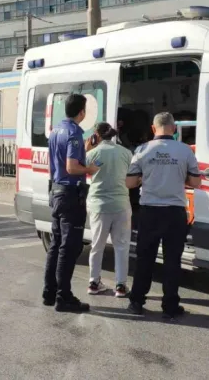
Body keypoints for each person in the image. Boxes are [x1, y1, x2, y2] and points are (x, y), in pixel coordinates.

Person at [126, 112, 201, 319]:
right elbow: (196, 183)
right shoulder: (185, 151)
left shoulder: (142, 150)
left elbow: (130, 183)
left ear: (153, 128)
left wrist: (145, 178)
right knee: (172, 260)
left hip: (149, 211)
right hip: (175, 212)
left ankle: (136, 302)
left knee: (144, 259)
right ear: (174, 128)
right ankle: (170, 306)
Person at [43, 93, 99, 313]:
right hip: (70, 194)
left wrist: (84, 148)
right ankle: (63, 297)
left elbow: (62, 160)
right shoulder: (75, 132)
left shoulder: (56, 129)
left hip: (56, 191)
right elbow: (72, 167)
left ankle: (49, 292)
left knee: (56, 245)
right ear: (82, 112)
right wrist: (90, 169)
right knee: (70, 246)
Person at [84, 122, 133, 297]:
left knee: (97, 246)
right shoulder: (126, 153)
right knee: (121, 246)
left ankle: (94, 283)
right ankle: (120, 286)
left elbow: (80, 168)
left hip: (99, 206)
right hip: (121, 205)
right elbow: (130, 175)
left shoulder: (92, 153)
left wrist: (88, 147)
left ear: (96, 134)